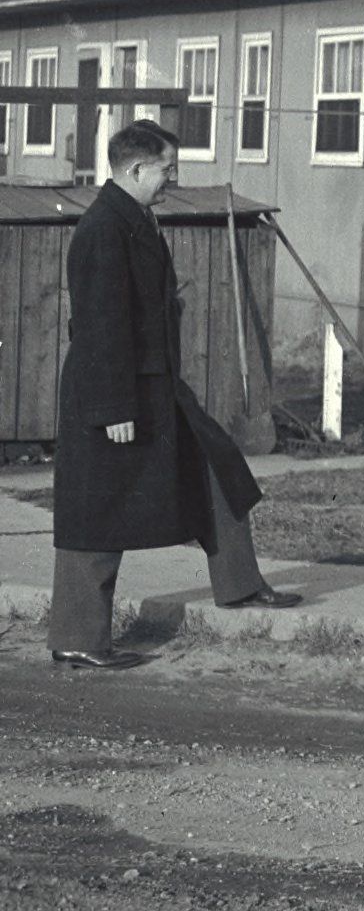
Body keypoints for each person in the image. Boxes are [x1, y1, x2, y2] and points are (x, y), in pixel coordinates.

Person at [49, 121, 298, 669]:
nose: (172, 179)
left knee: (217, 463)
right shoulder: (103, 229)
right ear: (137, 170)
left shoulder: (132, 217)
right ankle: (77, 638)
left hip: (154, 383)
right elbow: (101, 325)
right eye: (166, 169)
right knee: (96, 511)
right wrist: (114, 408)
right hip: (111, 393)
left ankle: (239, 583)